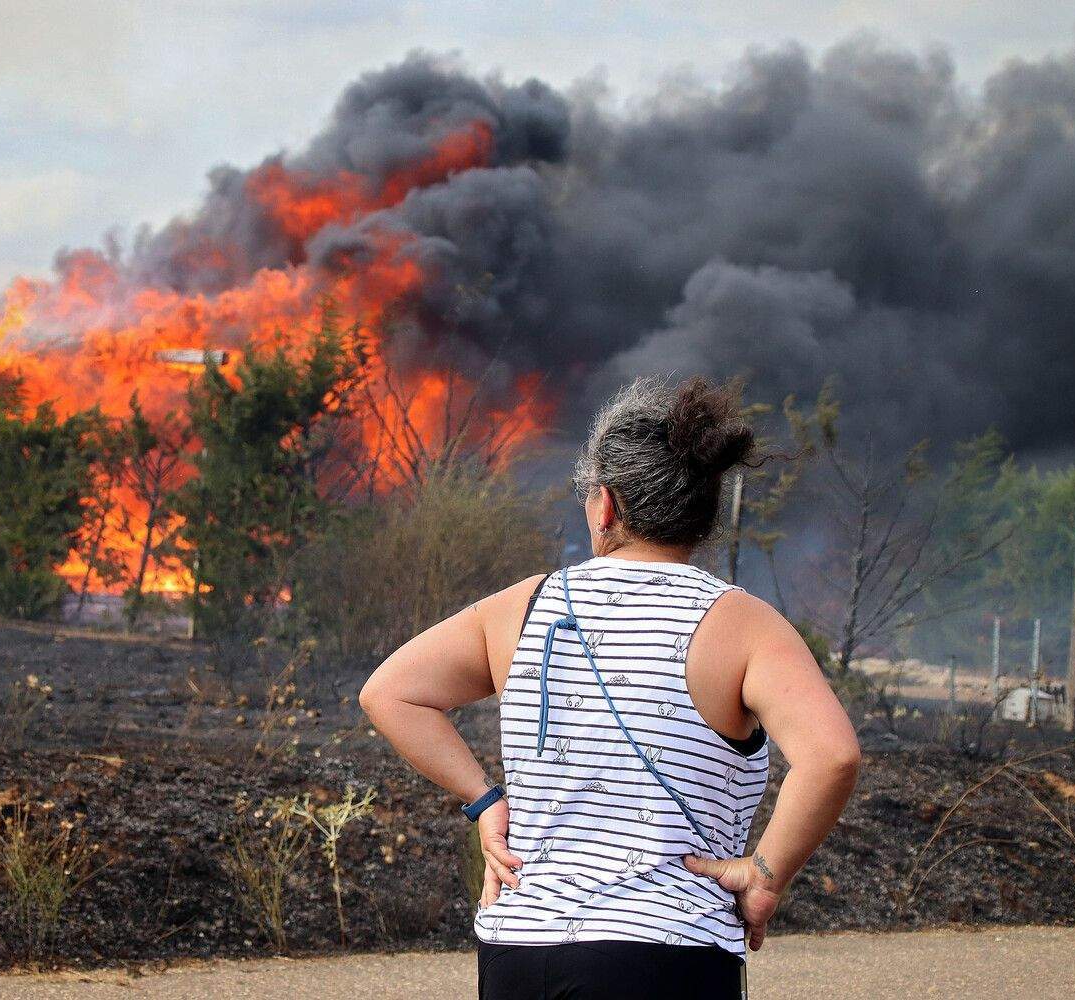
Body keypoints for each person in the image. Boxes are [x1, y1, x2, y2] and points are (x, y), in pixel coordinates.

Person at [359, 375, 860, 999]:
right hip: (666, 956)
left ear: (607, 505)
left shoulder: (522, 607)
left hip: (519, 955)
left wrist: (487, 805)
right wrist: (765, 875)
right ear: (702, 512)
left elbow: (390, 694)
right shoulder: (746, 625)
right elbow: (833, 755)